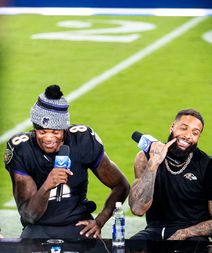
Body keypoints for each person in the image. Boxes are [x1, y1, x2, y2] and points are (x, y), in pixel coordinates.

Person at [4, 84, 129, 239]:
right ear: (35, 129)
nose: (48, 138)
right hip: (38, 228)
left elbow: (121, 185)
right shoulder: (22, 148)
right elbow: (30, 216)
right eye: (42, 132)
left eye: (55, 132)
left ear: (65, 129)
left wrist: (100, 220)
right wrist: (47, 186)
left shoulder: (82, 140)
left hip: (78, 225)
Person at [128, 109, 212, 241]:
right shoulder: (145, 158)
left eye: (195, 133)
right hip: (154, 232)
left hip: (193, 235)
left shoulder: (209, 167)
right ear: (172, 127)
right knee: (128, 252)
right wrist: (153, 163)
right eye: (184, 128)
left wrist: (185, 233)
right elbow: (137, 209)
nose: (188, 136)